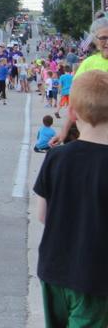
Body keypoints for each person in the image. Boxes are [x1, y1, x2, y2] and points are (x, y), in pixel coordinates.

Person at [33, 70, 108, 327]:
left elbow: (42, 215)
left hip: (54, 269)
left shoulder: (56, 157)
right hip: (95, 277)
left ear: (72, 112)